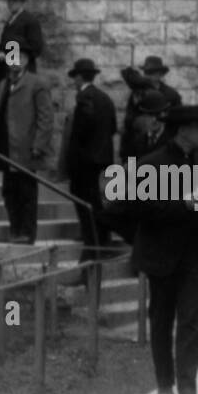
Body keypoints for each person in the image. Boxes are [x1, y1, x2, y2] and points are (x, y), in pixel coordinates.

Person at [110, 104, 198, 394]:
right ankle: (164, 381)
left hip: (193, 256)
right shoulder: (151, 165)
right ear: (183, 129)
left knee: (192, 321)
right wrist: (183, 205)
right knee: (161, 319)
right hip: (159, 255)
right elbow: (135, 208)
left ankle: (188, 387)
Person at [0, 59, 53, 244]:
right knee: (9, 191)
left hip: (25, 149)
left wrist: (39, 145)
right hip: (5, 148)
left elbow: (45, 117)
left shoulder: (36, 83)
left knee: (26, 192)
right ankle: (15, 229)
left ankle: (26, 232)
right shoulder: (3, 85)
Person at [60, 58, 117, 260]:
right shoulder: (105, 98)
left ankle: (93, 240)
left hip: (85, 162)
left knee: (85, 201)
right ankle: (102, 238)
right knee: (97, 201)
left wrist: (73, 160)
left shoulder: (84, 98)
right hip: (102, 159)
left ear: (79, 77)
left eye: (75, 77)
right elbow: (112, 128)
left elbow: (80, 133)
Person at [0, 0, 45, 83]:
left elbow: (36, 48)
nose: (11, 3)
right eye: (9, 0)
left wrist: (12, 53)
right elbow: (5, 44)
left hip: (21, 74)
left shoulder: (30, 20)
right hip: (6, 73)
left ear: (22, 1)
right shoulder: (10, 21)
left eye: (14, 0)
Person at [121, 55, 182, 143]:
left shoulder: (172, 95)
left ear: (160, 74)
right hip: (139, 146)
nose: (149, 76)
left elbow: (177, 122)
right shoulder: (138, 94)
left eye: (152, 73)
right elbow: (129, 121)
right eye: (147, 72)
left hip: (163, 144)